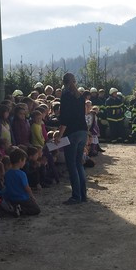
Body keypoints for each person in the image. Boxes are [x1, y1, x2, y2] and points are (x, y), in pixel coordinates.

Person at [55, 72, 89, 205]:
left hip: (72, 132)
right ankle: (83, 195)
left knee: (72, 165)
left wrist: (59, 135)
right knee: (79, 164)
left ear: (64, 82)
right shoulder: (80, 96)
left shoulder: (65, 95)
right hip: (83, 131)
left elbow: (65, 118)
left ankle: (76, 196)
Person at [3, 148, 41, 217]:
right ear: (20, 160)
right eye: (24, 161)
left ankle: (15, 208)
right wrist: (32, 196)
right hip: (22, 198)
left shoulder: (7, 173)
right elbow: (27, 187)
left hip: (11, 198)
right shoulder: (21, 174)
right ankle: (21, 210)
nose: (25, 163)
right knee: (36, 209)